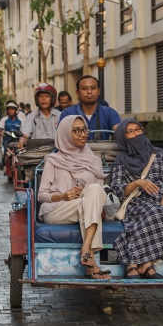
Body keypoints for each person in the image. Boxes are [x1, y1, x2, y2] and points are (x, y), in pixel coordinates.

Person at [38, 115, 113, 279]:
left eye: (85, 129)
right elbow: (41, 195)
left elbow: (98, 195)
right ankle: (91, 262)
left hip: (87, 208)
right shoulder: (53, 160)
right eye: (76, 130)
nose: (83, 134)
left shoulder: (94, 161)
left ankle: (86, 249)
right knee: (86, 204)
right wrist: (62, 196)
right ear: (65, 133)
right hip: (57, 210)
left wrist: (86, 195)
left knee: (93, 190)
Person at [111, 119, 163, 279]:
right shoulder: (121, 161)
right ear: (123, 138)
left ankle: (139, 264)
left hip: (161, 202)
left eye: (137, 129)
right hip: (136, 202)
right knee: (154, 213)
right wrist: (138, 182)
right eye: (130, 132)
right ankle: (142, 264)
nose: (135, 134)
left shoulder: (159, 156)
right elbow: (118, 189)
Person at [58, 75, 120, 140]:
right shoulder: (67, 114)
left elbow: (119, 130)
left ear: (98, 91)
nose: (89, 92)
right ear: (77, 92)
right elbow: (61, 138)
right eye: (84, 88)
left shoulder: (109, 113)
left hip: (102, 150)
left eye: (93, 88)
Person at [18, 83, 60, 149]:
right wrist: (21, 141)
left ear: (52, 99)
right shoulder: (31, 117)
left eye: (46, 96)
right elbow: (25, 135)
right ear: (37, 99)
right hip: (36, 154)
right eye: (41, 96)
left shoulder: (59, 115)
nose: (43, 99)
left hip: (56, 152)